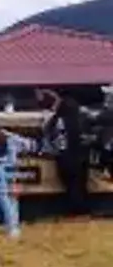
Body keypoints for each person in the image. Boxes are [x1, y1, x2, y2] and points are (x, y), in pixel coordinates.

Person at [40, 89, 90, 217]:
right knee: (80, 185)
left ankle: (75, 210)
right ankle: (82, 209)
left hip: (65, 157)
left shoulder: (58, 120)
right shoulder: (81, 119)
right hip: (81, 157)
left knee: (70, 185)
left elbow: (49, 133)